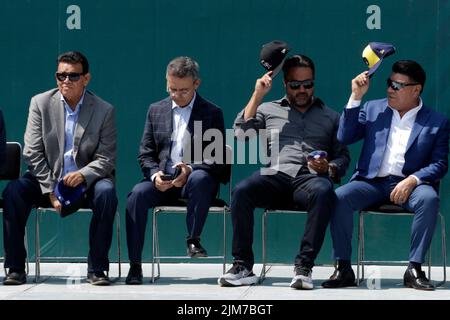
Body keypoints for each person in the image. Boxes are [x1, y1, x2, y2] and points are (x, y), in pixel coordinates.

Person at [218, 54, 350, 289]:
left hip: (310, 180)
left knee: (324, 189)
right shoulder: (268, 109)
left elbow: (343, 157)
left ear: (314, 84)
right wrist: (258, 95)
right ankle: (243, 266)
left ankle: (304, 267)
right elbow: (240, 133)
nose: (302, 90)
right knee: (242, 190)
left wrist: (328, 167)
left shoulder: (331, 117)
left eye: (307, 84)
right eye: (295, 85)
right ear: (285, 84)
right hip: (275, 176)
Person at [323, 60, 449, 291]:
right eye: (389, 83)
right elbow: (344, 136)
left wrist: (412, 180)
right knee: (339, 197)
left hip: (410, 185)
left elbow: (440, 164)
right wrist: (356, 97)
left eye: (397, 86)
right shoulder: (373, 108)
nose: (390, 89)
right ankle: (343, 268)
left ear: (416, 90)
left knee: (429, 199)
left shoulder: (437, 122)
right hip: (371, 183)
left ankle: (414, 269)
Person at [2, 51, 118, 286]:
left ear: (86, 78)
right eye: (61, 75)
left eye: (73, 76)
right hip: (46, 178)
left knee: (107, 193)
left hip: (88, 181)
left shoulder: (104, 110)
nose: (66, 81)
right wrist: (51, 191)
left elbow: (106, 158)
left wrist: (82, 175)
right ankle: (15, 268)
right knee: (14, 192)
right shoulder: (40, 103)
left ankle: (97, 269)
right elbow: (32, 152)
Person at [125, 56, 228, 285]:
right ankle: (135, 265)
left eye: (183, 90)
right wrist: (154, 174)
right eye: (172, 89)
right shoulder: (156, 110)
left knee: (200, 178)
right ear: (166, 83)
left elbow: (217, 157)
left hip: (196, 181)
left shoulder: (212, 112)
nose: (177, 95)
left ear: (196, 84)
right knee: (135, 196)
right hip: (164, 179)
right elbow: (145, 152)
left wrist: (190, 169)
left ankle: (193, 239)